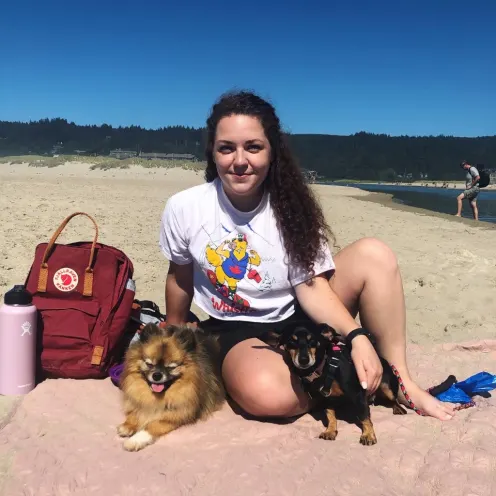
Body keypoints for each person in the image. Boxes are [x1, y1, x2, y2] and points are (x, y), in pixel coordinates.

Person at [159, 91, 456, 421]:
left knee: (376, 255)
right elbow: (179, 275)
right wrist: (174, 334)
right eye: (227, 147)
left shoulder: (290, 205)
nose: (239, 160)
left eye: (253, 147)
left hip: (299, 312)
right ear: (212, 153)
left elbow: (312, 287)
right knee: (270, 397)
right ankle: (338, 380)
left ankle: (400, 381)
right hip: (234, 326)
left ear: (272, 152)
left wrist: (356, 338)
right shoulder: (185, 207)